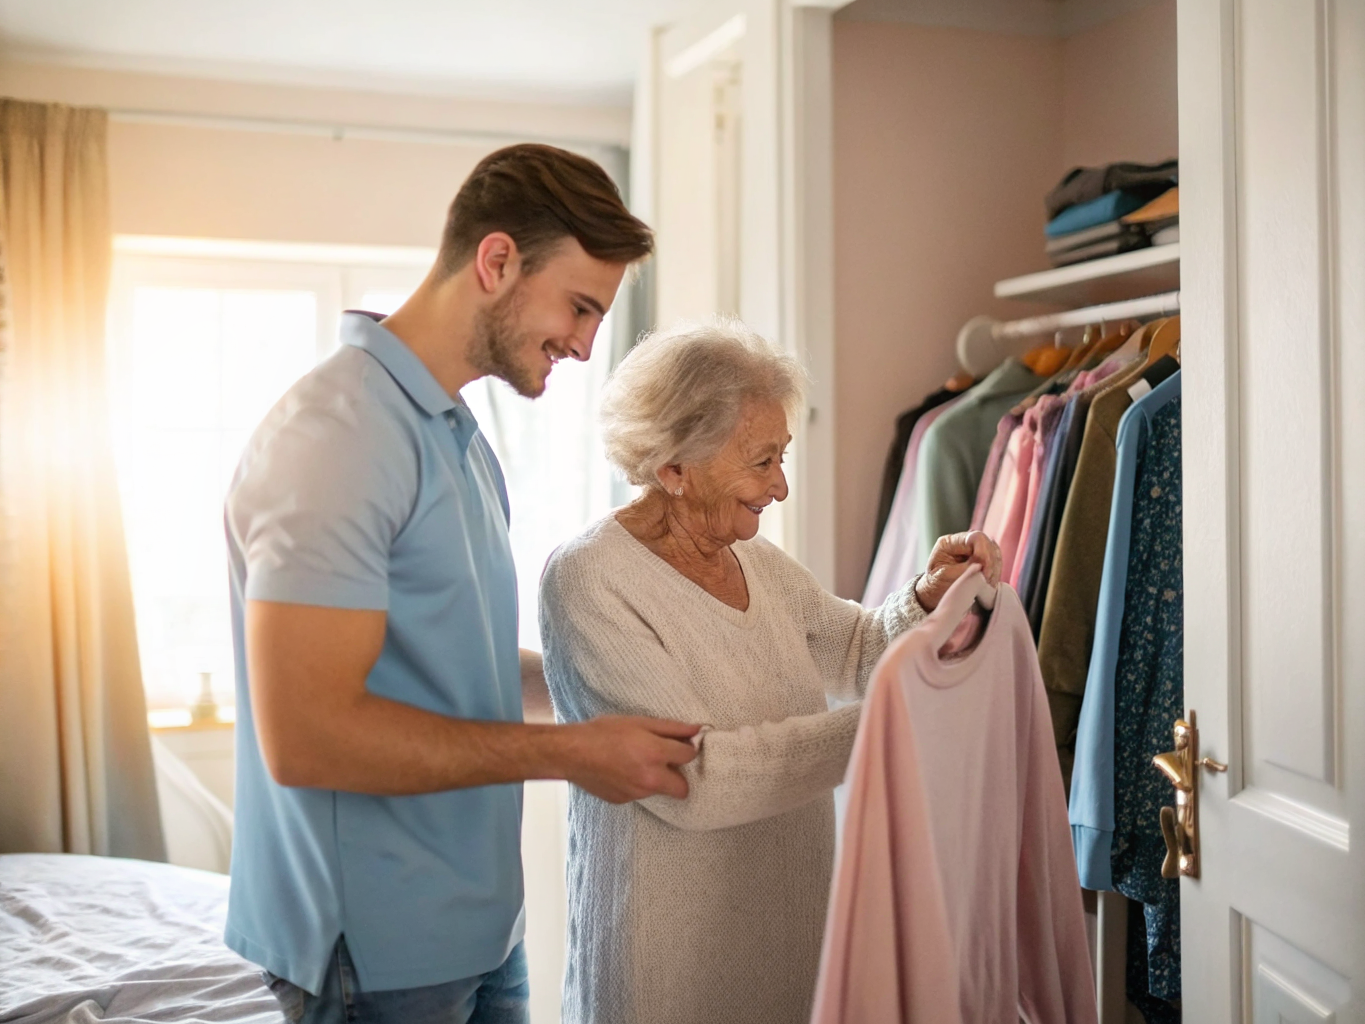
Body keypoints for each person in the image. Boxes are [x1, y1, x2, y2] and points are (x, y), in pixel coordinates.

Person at [223, 144, 702, 1024]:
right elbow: (309, 737)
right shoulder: (339, 435)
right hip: (372, 949)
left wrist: (611, 696)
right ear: (496, 262)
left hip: (478, 928)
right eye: (580, 305)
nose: (586, 344)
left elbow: (461, 661)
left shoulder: (454, 433)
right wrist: (572, 754)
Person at [539, 318, 1003, 1024]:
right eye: (761, 462)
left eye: (780, 457)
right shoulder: (590, 579)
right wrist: (886, 721)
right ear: (673, 467)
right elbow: (693, 776)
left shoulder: (751, 558)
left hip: (789, 938)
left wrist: (921, 598)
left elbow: (856, 651)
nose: (780, 487)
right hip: (667, 963)